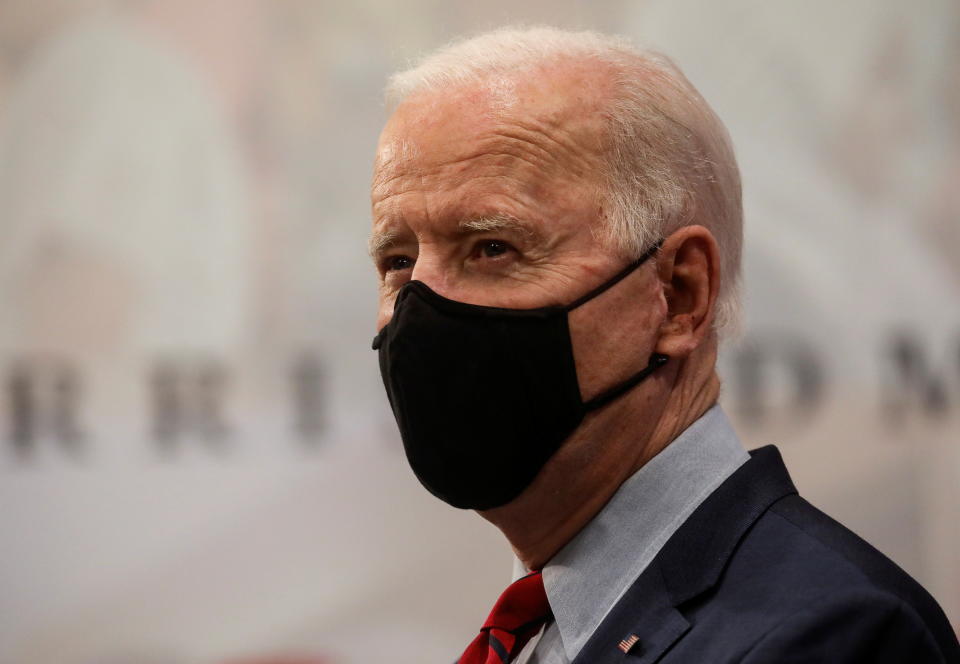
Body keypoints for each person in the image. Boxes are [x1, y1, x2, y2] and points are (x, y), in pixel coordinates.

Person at [367, 26, 960, 664]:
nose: (417, 311)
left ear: (678, 294)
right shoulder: (542, 631)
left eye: (492, 247)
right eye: (398, 262)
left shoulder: (829, 637)